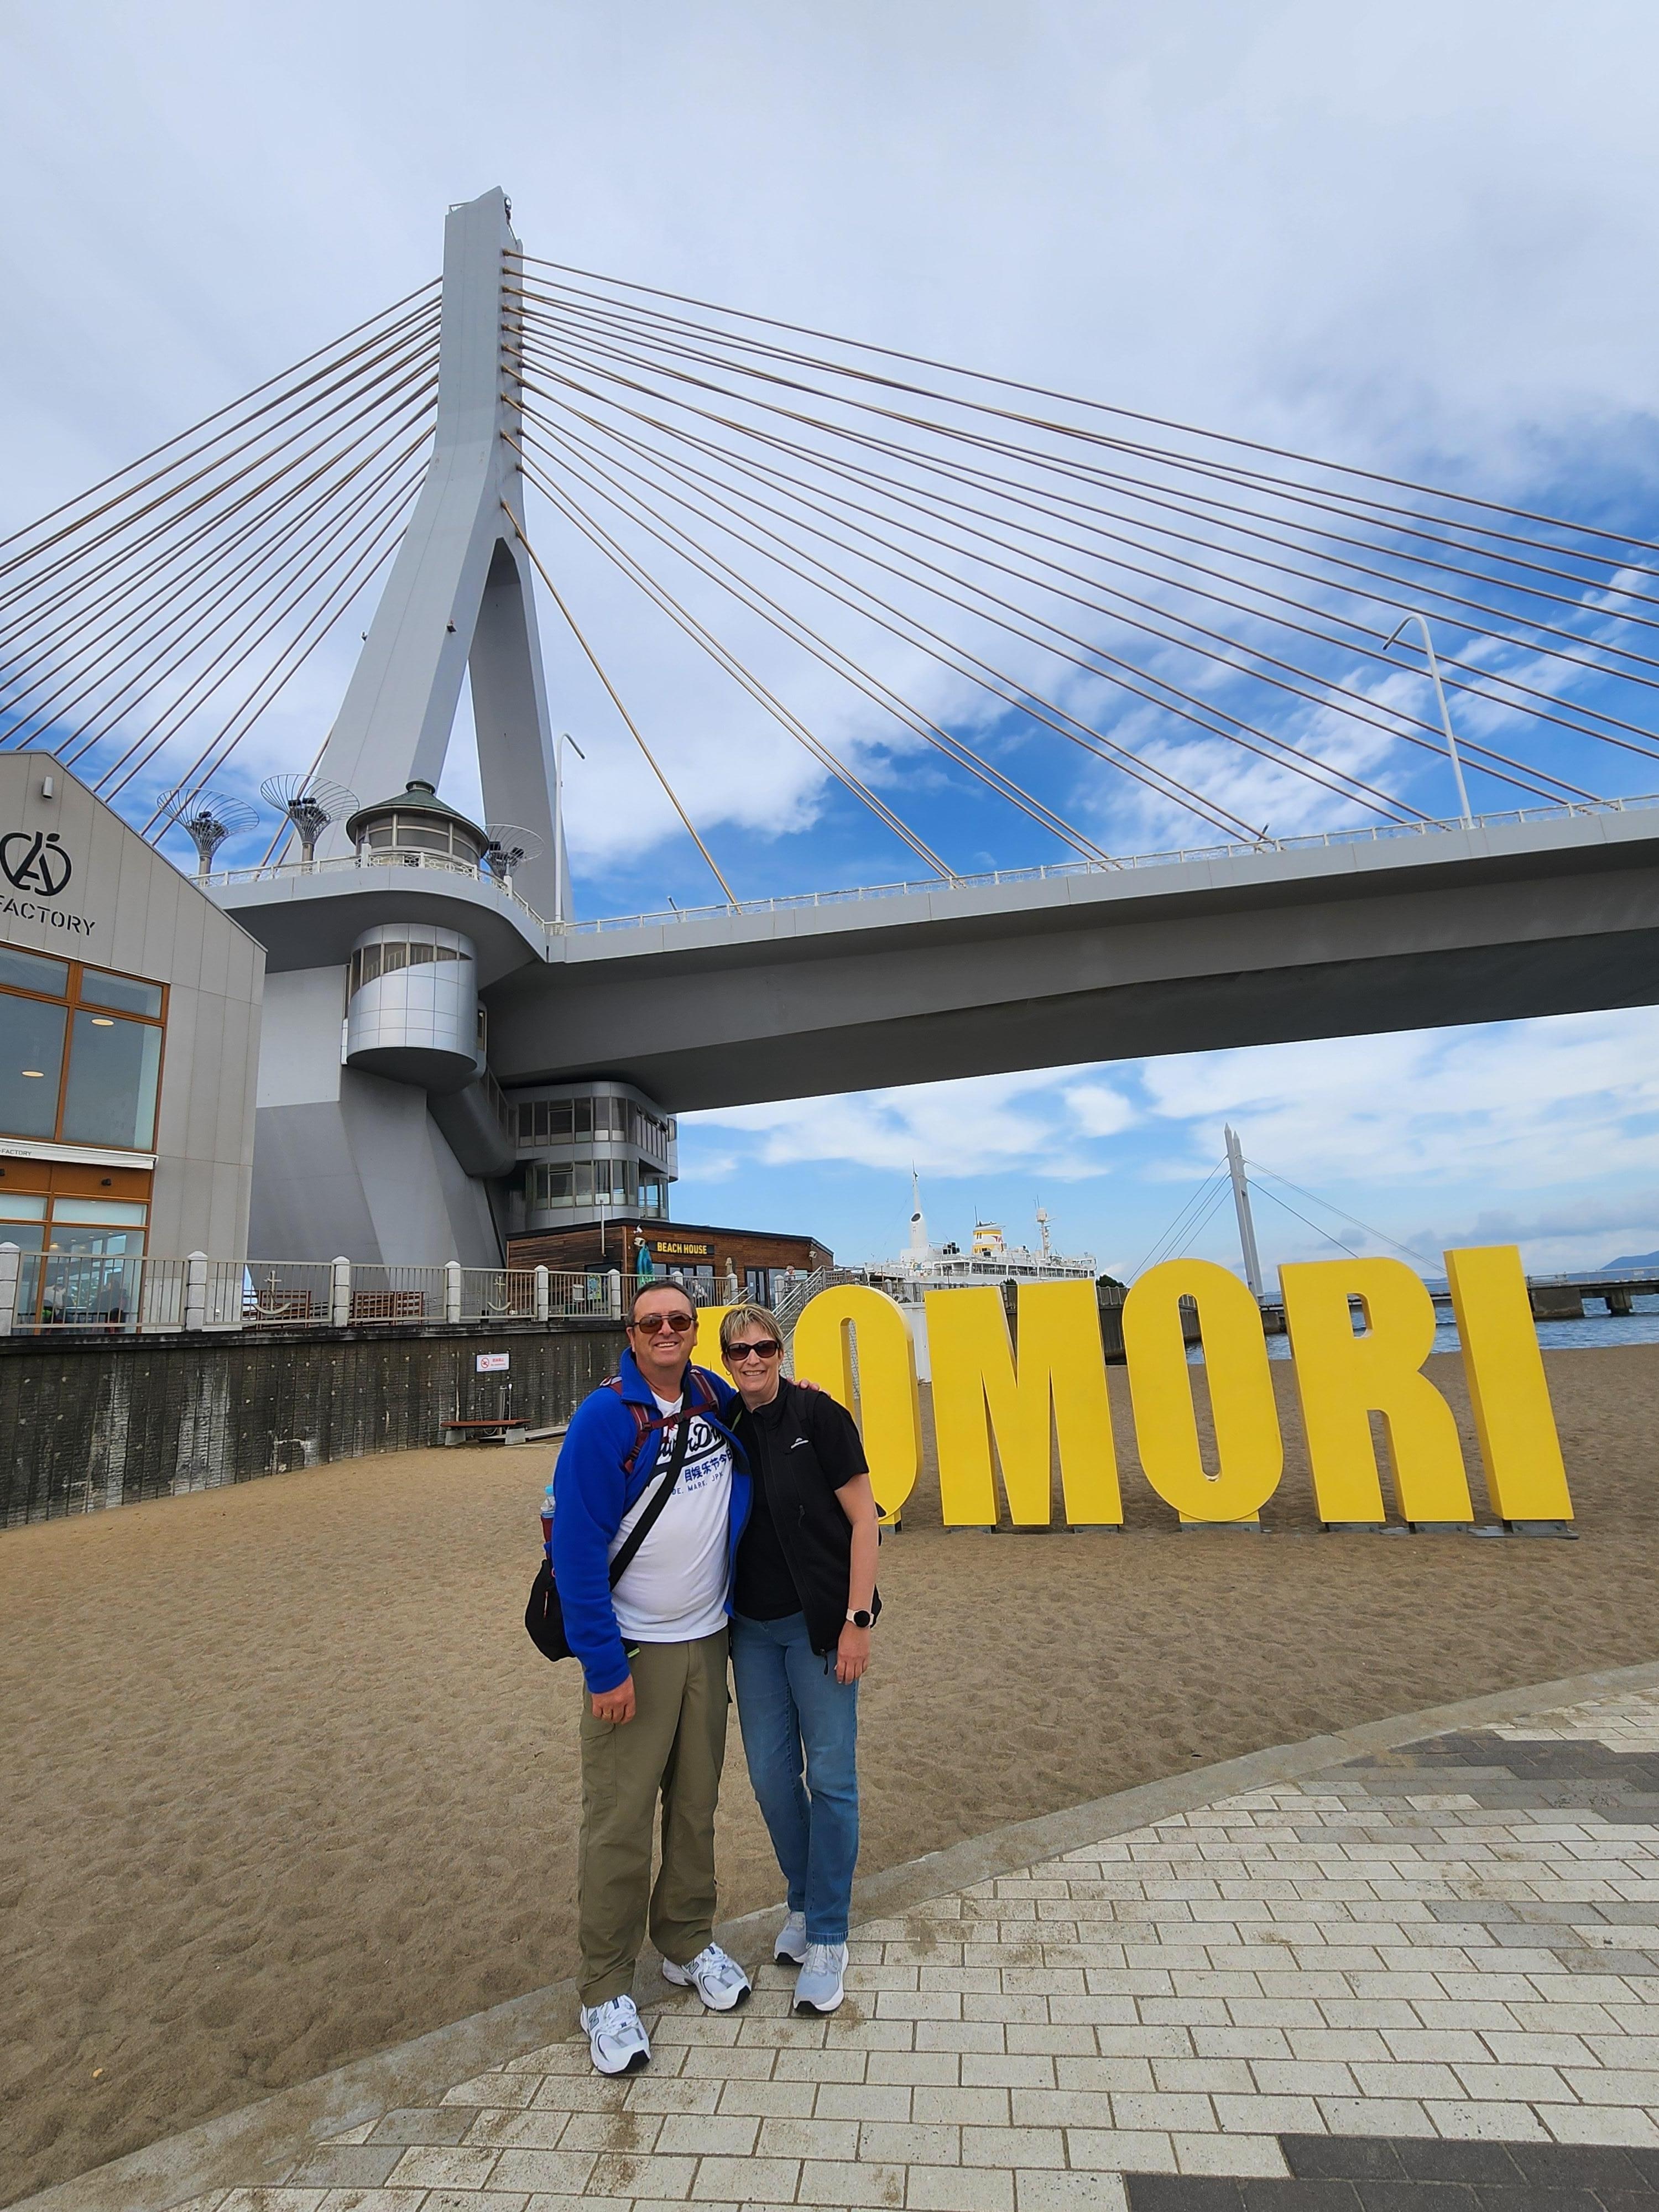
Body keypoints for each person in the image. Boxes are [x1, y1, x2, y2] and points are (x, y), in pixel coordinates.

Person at [552, 1277, 754, 2075]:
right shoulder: (605, 1419)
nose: (666, 1331)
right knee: (620, 1822)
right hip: (634, 1652)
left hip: (708, 1643)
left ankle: (686, 1942)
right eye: (651, 1322)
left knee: (697, 1808)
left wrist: (793, 1387)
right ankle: (604, 1988)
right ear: (631, 1335)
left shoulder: (711, 1393)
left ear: (695, 1330)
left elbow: (760, 1418)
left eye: (678, 1319)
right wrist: (604, 1668)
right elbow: (575, 1551)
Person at [719, 1302, 881, 2016]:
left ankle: (828, 1932)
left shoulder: (820, 1417)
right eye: (738, 1351)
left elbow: (864, 1520)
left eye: (764, 1347)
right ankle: (802, 1898)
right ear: (726, 1360)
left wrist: (857, 1620)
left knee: (833, 1779)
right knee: (769, 1779)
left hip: (818, 1625)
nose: (752, 1359)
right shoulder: (724, 1421)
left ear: (780, 1351)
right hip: (749, 1631)